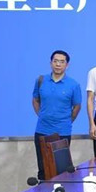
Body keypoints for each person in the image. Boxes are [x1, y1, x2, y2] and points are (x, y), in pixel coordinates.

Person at [32, 50, 81, 179]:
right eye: (55, 61)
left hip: (62, 132)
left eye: (62, 62)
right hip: (42, 130)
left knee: (61, 169)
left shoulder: (73, 85)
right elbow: (35, 100)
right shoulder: (41, 80)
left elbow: (77, 107)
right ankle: (43, 191)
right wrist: (42, 115)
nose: (58, 64)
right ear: (51, 63)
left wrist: (67, 120)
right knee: (43, 168)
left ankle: (60, 191)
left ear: (67, 65)